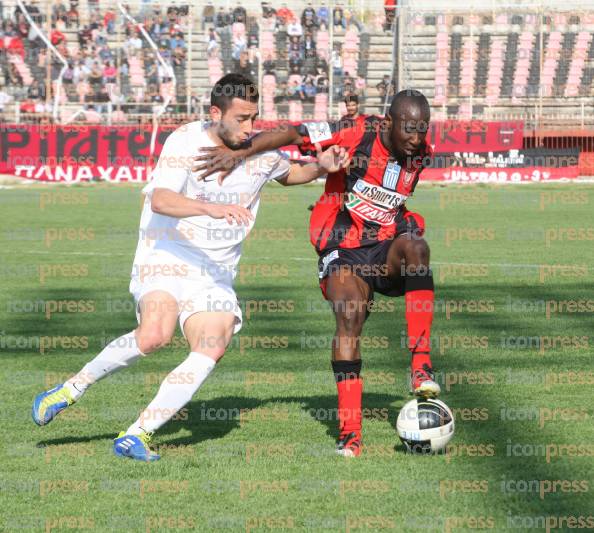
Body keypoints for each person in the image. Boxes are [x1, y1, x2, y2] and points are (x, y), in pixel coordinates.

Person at [31, 74, 348, 462]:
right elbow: (162, 200)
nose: (250, 128)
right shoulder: (186, 140)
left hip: (215, 271)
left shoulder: (258, 150)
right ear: (216, 113)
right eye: (242, 119)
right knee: (154, 335)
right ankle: (69, 390)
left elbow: (287, 174)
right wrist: (211, 208)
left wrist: (320, 167)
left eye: (254, 118)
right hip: (167, 254)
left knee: (213, 344)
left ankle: (136, 434)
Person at [191, 89, 439, 458]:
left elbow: (390, 197)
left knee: (417, 248)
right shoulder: (354, 132)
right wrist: (241, 151)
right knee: (350, 317)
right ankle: (350, 434)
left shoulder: (419, 153)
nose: (417, 139)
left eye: (423, 130)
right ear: (388, 123)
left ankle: (421, 368)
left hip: (385, 248)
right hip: (342, 250)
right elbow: (293, 133)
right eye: (410, 130)